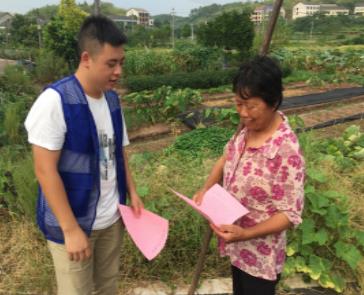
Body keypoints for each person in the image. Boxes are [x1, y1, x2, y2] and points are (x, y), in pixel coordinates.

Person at [24, 15, 143, 295]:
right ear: (87, 58)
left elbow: (119, 151)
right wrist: (71, 230)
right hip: (74, 222)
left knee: (107, 288)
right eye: (111, 64)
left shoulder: (111, 99)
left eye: (121, 63)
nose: (118, 72)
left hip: (110, 219)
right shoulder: (56, 101)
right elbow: (45, 170)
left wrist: (133, 193)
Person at [193, 56, 305, 295]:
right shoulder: (246, 131)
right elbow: (226, 158)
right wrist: (206, 188)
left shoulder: (286, 148)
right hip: (237, 247)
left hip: (261, 256)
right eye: (238, 104)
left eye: (251, 106)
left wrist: (247, 234)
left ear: (273, 102)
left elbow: (289, 214)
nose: (243, 113)